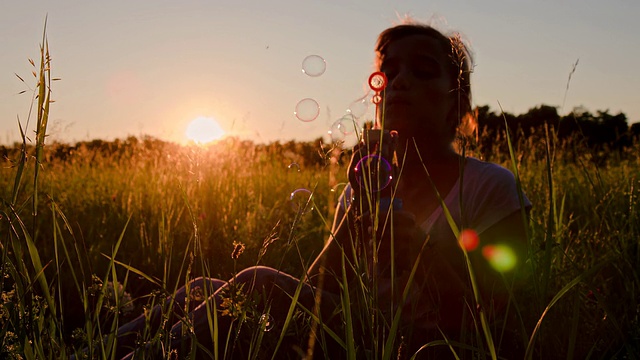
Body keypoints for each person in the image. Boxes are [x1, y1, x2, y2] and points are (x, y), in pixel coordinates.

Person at [107, 19, 531, 360]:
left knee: (258, 281)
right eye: (388, 71)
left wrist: (421, 255)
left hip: (421, 346)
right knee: (203, 286)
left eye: (421, 71)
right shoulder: (369, 183)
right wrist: (356, 211)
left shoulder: (489, 185)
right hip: (359, 331)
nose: (399, 81)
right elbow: (317, 289)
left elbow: (505, 321)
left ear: (456, 102)